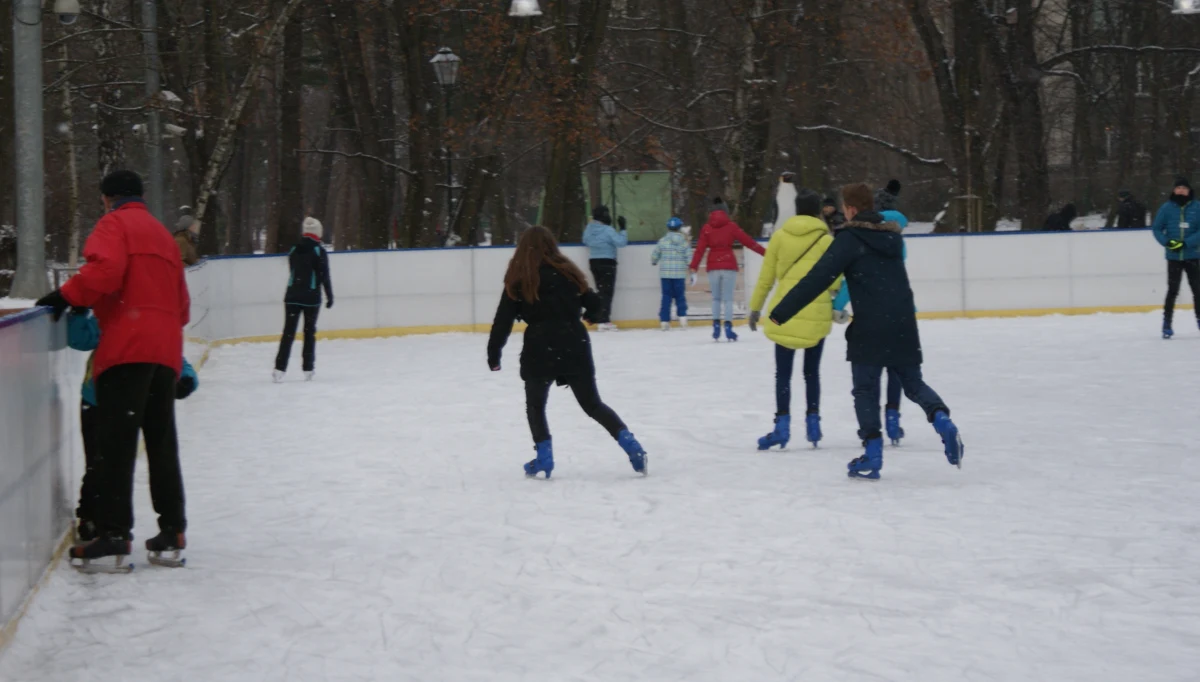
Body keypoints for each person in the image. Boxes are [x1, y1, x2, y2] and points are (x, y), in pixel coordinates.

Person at [35, 170, 191, 569]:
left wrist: (64, 295)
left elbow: (104, 273)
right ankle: (172, 528)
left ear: (107, 199)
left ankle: (114, 533)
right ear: (139, 195)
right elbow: (183, 305)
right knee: (160, 441)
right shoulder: (162, 236)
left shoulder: (113, 225)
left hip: (127, 348)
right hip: (165, 351)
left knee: (115, 445)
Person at [769, 182, 964, 480]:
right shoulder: (892, 238)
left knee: (865, 389)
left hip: (870, 326)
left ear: (850, 209)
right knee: (912, 384)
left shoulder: (849, 239)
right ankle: (942, 420)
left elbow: (818, 278)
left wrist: (782, 311)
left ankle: (873, 454)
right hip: (903, 323)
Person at [487, 226, 647, 479]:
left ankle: (544, 457)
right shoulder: (568, 272)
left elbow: (502, 320)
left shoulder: (520, 277)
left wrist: (494, 354)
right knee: (592, 404)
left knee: (536, 406)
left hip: (540, 345)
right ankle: (630, 444)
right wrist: (591, 316)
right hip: (574, 341)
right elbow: (596, 304)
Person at [66, 309, 197, 560]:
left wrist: (187, 378)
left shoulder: (136, 320)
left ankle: (110, 528)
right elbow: (80, 339)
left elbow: (172, 356)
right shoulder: (112, 319)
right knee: (100, 462)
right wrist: (79, 312)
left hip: (122, 398)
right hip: (98, 400)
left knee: (107, 461)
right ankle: (91, 516)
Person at [747, 189, 840, 449]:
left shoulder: (779, 237)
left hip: (784, 312)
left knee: (783, 374)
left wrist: (755, 309)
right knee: (812, 372)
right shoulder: (826, 240)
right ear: (818, 210)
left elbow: (766, 277)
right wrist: (836, 302)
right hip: (816, 310)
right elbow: (837, 281)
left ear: (796, 209)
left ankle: (782, 426)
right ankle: (813, 423)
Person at [833, 207, 913, 446]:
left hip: (872, 317)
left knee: (870, 375)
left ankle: (873, 424)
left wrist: (837, 305)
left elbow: (851, 282)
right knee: (896, 371)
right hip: (900, 314)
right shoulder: (896, 243)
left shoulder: (864, 243)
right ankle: (892, 416)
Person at [689, 197, 766, 341]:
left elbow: (699, 249)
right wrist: (765, 253)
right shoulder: (731, 226)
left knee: (716, 298)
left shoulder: (707, 228)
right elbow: (748, 241)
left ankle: (716, 326)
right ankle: (729, 327)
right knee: (728, 299)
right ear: (726, 211)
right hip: (729, 264)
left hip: (713, 266)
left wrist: (694, 267)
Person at [274, 217, 334, 382]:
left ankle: (279, 368)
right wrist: (329, 295)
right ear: (318, 233)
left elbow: (294, 270)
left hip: (292, 296)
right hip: (311, 298)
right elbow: (324, 275)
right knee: (309, 333)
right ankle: (308, 368)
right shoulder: (318, 251)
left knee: (288, 333)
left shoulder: (294, 249)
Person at [1151, 177, 1200, 339]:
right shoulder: (1166, 208)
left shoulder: (1197, 207)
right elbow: (1157, 229)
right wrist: (1168, 243)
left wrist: (1186, 243)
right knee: (1172, 290)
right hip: (1173, 257)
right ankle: (1167, 323)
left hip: (1193, 255)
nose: (1181, 190)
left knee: (1197, 290)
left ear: (1189, 191)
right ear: (1174, 190)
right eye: (1178, 188)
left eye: (1184, 188)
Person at [582, 206, 628, 331]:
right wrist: (623, 229)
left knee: (601, 290)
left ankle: (597, 317)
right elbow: (621, 242)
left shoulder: (589, 229)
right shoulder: (608, 230)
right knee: (606, 292)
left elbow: (585, 240)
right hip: (607, 262)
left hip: (594, 262)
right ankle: (604, 320)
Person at [651, 216, 691, 330]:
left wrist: (654, 261)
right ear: (679, 228)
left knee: (666, 297)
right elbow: (689, 258)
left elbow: (654, 257)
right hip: (679, 275)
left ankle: (664, 321)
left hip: (665, 276)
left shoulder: (662, 241)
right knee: (680, 297)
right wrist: (691, 267)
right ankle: (682, 319)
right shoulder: (684, 242)